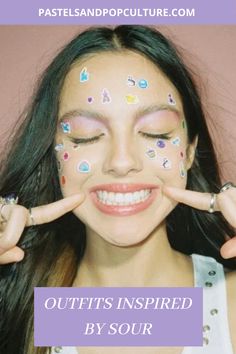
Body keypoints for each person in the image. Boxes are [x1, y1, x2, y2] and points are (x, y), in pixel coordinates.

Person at [0, 25, 236, 354]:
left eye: (156, 133)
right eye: (86, 135)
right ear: (52, 154)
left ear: (191, 150)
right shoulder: (19, 307)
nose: (122, 161)